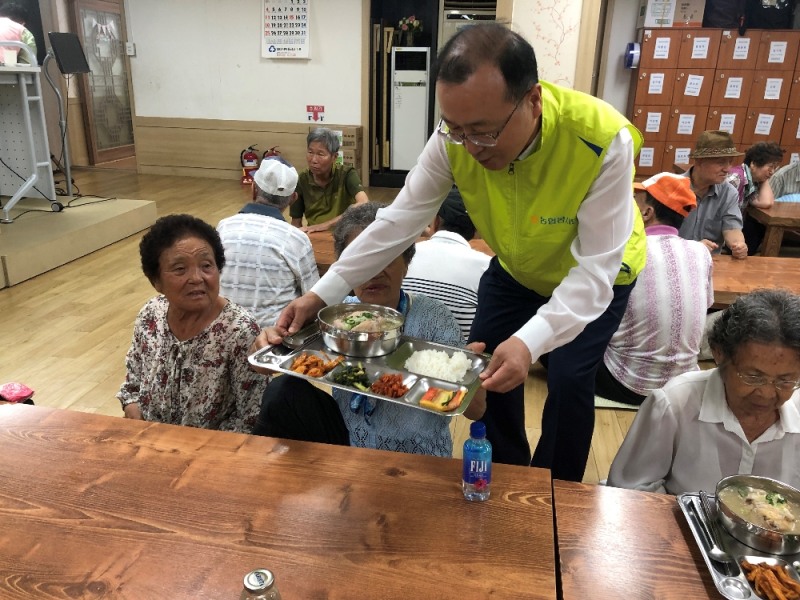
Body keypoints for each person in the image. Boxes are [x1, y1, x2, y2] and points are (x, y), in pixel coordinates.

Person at [268, 24, 647, 481]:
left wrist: (531, 343)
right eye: (456, 129)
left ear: (533, 100)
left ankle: (554, 493)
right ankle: (508, 475)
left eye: (484, 132)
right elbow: (397, 222)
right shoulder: (455, 138)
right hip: (517, 267)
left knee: (567, 379)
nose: (469, 146)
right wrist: (321, 295)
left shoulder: (602, 140)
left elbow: (593, 274)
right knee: (484, 368)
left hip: (597, 275)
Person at [253, 202, 484, 457]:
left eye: (384, 256)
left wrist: (469, 374)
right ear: (345, 271)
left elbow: (477, 411)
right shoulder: (337, 317)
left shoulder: (434, 318)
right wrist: (269, 343)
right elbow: (264, 365)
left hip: (417, 456)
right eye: (361, 260)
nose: (373, 271)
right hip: (348, 442)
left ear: (407, 263)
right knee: (282, 391)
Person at [608, 289, 800, 495]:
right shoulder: (675, 404)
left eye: (785, 380)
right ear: (719, 354)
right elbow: (630, 490)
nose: (768, 393)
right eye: (753, 377)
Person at [117, 214, 267, 433]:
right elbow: (132, 384)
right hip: (147, 440)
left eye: (207, 265)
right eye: (180, 269)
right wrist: (134, 413)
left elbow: (250, 418)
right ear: (156, 281)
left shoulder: (239, 330)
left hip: (209, 454)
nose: (197, 278)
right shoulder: (151, 314)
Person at [596, 173, 713, 406]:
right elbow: (707, 305)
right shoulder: (701, 252)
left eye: (633, 201)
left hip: (626, 384)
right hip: (681, 385)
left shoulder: (625, 252)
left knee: (554, 334)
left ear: (646, 214)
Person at [217, 156, 319, 327]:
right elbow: (313, 298)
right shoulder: (296, 239)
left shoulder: (223, 227)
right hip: (272, 341)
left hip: (223, 334)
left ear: (253, 188)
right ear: (293, 198)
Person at [402, 186, 491, 342]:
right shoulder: (488, 268)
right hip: (457, 359)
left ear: (436, 221)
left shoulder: (403, 256)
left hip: (399, 355)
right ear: (476, 230)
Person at [679, 130, 748, 259]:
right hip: (677, 258)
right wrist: (694, 248)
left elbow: (732, 228)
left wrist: (738, 245)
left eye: (730, 162)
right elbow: (659, 236)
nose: (727, 169)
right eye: (721, 162)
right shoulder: (673, 188)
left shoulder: (728, 193)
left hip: (712, 262)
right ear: (699, 161)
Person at [290, 127, 369, 233]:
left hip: (345, 234)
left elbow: (364, 203)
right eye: (310, 152)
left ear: (334, 157)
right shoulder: (301, 180)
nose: (313, 160)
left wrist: (325, 225)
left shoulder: (346, 174)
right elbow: (296, 222)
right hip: (316, 235)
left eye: (320, 154)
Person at [726, 142, 784, 255]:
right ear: (753, 164)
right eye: (770, 167)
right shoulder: (736, 180)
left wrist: (765, 178)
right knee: (754, 228)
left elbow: (766, 202)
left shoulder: (751, 179)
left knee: (757, 227)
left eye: (775, 168)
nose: (772, 172)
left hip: (734, 226)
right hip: (725, 230)